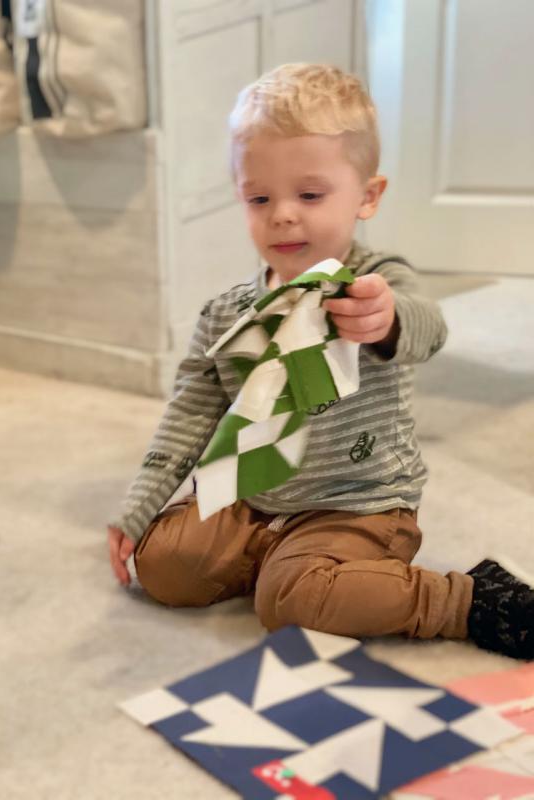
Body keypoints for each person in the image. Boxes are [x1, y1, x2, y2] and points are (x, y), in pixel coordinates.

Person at [108, 63, 533, 660]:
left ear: (367, 196)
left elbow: (429, 329)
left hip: (360, 500)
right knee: (163, 565)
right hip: (256, 498)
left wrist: (386, 320)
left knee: (292, 607)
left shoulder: (375, 282)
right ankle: (284, 560)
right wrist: (139, 506)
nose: (283, 213)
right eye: (260, 197)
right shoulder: (227, 312)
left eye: (309, 195)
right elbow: (191, 410)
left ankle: (468, 599)